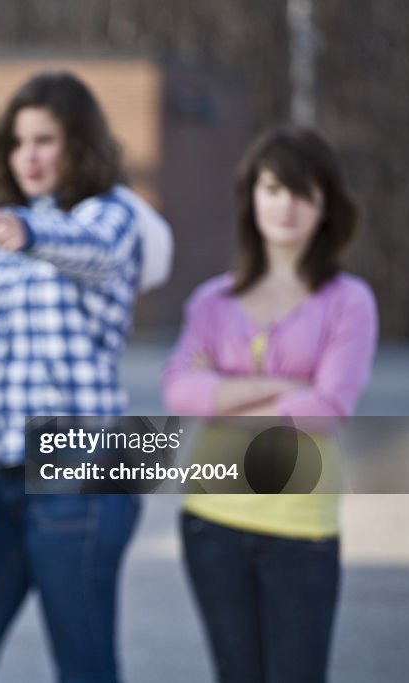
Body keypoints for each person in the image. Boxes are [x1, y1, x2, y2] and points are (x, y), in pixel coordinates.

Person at [0, 71, 173, 683]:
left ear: (79, 142)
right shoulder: (15, 231)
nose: (29, 156)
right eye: (19, 143)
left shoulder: (113, 215)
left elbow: (89, 247)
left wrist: (32, 233)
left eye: (45, 139)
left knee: (84, 664)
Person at [161, 125, 378, 682]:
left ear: (326, 204)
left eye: (303, 192)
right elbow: (177, 390)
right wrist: (281, 389)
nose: (286, 205)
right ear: (251, 197)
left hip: (299, 524)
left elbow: (326, 411)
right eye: (273, 188)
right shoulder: (212, 300)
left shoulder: (349, 302)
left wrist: (224, 393)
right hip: (212, 519)